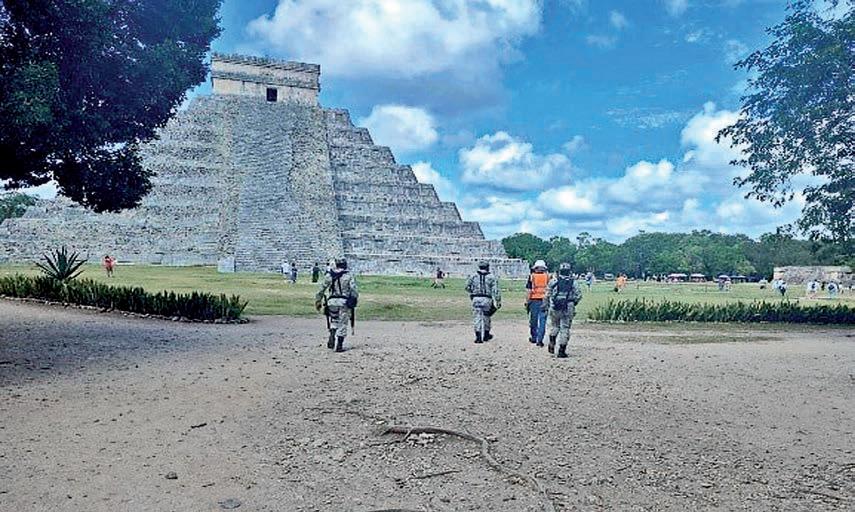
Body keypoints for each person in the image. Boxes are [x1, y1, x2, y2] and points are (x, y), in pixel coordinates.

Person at [315, 258, 359, 353]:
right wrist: (354, 300)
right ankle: (339, 345)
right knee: (343, 323)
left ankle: (332, 332)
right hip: (344, 302)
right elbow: (354, 290)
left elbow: (321, 289)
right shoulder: (348, 276)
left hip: (331, 302)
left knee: (334, 320)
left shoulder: (329, 275)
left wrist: (318, 300)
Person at [544, 262, 582, 358]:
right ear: (569, 271)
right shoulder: (573, 282)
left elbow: (547, 294)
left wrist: (546, 305)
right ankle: (561, 351)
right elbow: (578, 295)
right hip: (568, 306)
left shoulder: (554, 281)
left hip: (555, 306)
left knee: (555, 326)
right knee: (565, 328)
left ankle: (552, 341)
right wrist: (573, 303)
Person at [465, 260, 501, 344]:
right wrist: (498, 301)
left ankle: (478, 337)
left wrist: (472, 293)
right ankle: (486, 335)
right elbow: (496, 291)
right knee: (486, 317)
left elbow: (466, 286)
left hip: (476, 298)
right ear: (487, 267)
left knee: (477, 317)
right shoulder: (492, 277)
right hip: (486, 298)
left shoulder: (473, 276)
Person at [525, 260, 549, 347]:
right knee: (542, 320)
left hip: (534, 300)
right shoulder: (548, 277)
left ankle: (534, 337)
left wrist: (527, 301)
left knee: (534, 320)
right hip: (545, 300)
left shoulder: (532, 277)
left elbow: (529, 290)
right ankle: (540, 339)